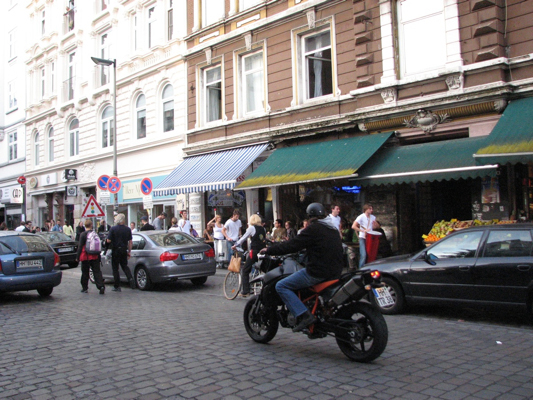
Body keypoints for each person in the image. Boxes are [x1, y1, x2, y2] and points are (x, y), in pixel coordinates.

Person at [261, 203, 343, 332]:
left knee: (281, 286)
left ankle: (304, 315)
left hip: (317, 272)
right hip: (335, 272)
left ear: (310, 216)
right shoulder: (332, 228)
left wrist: (269, 250)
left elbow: (293, 245)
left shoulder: (314, 229)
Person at [232, 214, 266, 298]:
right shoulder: (263, 229)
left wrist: (235, 245)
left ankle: (246, 291)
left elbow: (243, 238)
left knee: (245, 270)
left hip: (254, 252)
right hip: (262, 252)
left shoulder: (252, 228)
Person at [106, 213, 135, 291]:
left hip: (115, 250)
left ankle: (117, 285)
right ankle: (131, 279)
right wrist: (129, 251)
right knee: (125, 266)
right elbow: (130, 242)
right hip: (123, 250)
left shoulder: (113, 229)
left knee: (115, 268)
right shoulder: (128, 229)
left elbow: (108, 240)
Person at [76, 219, 105, 294]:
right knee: (97, 272)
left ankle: (84, 287)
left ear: (85, 225)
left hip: (85, 256)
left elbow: (80, 246)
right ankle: (101, 286)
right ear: (91, 225)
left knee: (85, 272)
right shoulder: (95, 234)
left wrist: (77, 257)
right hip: (94, 256)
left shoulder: (83, 234)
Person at [352, 204, 376, 268]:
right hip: (363, 237)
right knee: (363, 254)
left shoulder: (373, 217)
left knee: (369, 253)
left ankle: (368, 267)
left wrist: (375, 225)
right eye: (370, 209)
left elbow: (376, 227)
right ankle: (361, 268)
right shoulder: (361, 217)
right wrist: (362, 230)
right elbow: (353, 226)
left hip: (370, 237)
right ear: (366, 209)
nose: (371, 210)